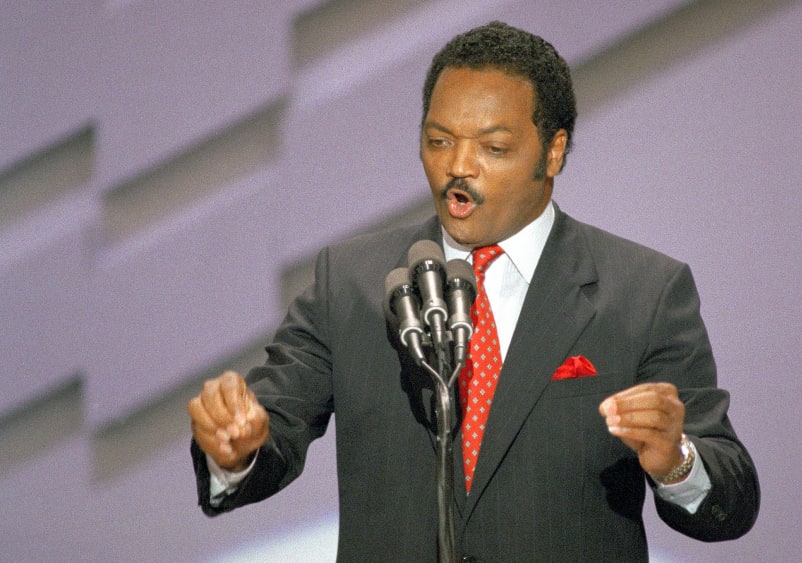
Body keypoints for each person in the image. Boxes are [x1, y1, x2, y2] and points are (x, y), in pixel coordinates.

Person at [188, 21, 759, 561]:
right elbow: (272, 428)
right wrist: (235, 448)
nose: (458, 167)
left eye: (493, 147)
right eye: (439, 140)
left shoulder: (644, 292)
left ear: (553, 152)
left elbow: (730, 500)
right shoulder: (352, 281)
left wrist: (676, 462)